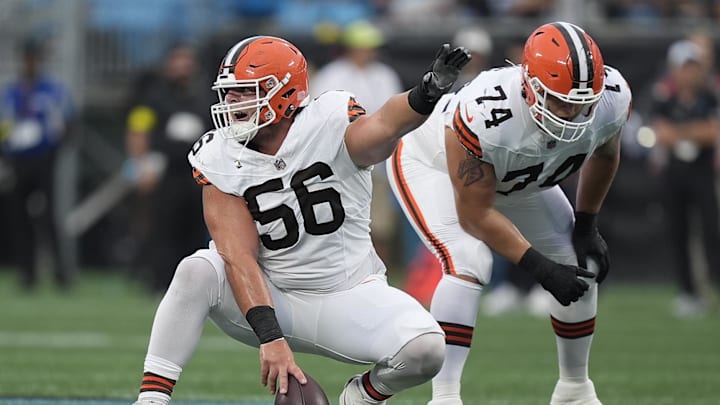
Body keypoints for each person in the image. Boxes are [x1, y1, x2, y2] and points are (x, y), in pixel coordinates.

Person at [132, 36, 470, 405]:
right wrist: (270, 337)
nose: (233, 103)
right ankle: (152, 398)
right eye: (230, 93)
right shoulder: (219, 153)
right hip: (269, 295)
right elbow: (237, 256)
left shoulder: (329, 120)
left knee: (427, 350)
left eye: (246, 92)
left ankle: (364, 396)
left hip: (348, 294)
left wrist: (427, 92)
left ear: (285, 92)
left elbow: (385, 127)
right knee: (198, 268)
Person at [388, 22, 631, 405]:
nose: (573, 112)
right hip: (432, 163)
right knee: (468, 260)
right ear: (529, 86)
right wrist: (539, 268)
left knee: (576, 259)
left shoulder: (611, 97)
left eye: (583, 102)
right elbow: (475, 215)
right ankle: (445, 396)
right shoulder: (486, 113)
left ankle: (574, 389)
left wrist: (586, 223)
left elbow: (604, 152)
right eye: (560, 99)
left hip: (514, 178)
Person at [310, 20, 404, 267]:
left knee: (380, 225)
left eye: (372, 46)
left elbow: (393, 118)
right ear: (351, 48)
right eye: (364, 46)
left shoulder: (384, 74)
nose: (370, 51)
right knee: (340, 225)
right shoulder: (332, 74)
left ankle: (379, 277)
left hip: (378, 162)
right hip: (338, 163)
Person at [123, 42, 213, 294]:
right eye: (177, 59)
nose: (182, 66)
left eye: (187, 60)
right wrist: (140, 165)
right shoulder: (154, 96)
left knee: (196, 230)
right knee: (163, 229)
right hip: (165, 174)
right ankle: (160, 282)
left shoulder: (204, 96)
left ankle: (195, 287)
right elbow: (138, 130)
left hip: (196, 175)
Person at [648, 39, 720, 318]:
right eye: (685, 67)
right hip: (674, 174)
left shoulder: (709, 96)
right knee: (678, 232)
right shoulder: (662, 96)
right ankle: (688, 292)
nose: (690, 74)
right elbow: (660, 134)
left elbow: (711, 132)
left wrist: (680, 132)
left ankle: (710, 287)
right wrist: (693, 131)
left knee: (711, 230)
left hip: (702, 172)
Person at [0, 38, 74, 291]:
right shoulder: (11, 93)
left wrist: (53, 145)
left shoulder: (52, 91)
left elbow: (66, 123)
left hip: (43, 160)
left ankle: (61, 273)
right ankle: (26, 273)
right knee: (19, 217)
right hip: (18, 161)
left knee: (48, 217)